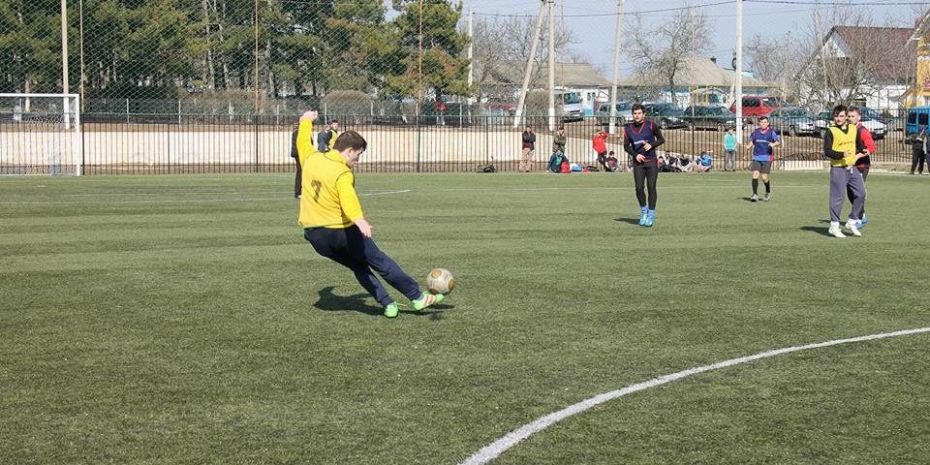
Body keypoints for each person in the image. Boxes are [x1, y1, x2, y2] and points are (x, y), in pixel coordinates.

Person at [296, 110, 445, 318]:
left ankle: (388, 304)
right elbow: (348, 198)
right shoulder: (342, 172)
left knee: (358, 266)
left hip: (315, 236)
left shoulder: (311, 158)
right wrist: (359, 220)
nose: (358, 159)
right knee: (380, 262)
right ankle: (417, 297)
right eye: (358, 154)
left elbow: (303, 141)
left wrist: (305, 121)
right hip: (340, 232)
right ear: (348, 151)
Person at [823, 104, 867, 238]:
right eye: (836, 116)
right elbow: (828, 151)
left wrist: (862, 150)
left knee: (861, 194)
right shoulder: (831, 131)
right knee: (838, 198)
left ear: (846, 117)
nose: (838, 118)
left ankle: (852, 221)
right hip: (838, 168)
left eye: (841, 116)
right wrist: (842, 154)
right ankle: (834, 226)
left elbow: (858, 145)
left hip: (852, 168)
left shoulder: (854, 129)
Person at [623, 103, 666, 227]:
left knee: (651, 187)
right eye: (635, 113)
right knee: (638, 188)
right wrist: (635, 155)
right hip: (638, 163)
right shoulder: (628, 129)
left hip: (651, 161)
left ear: (644, 114)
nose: (637, 116)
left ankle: (651, 215)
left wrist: (651, 145)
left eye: (639, 113)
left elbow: (661, 139)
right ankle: (644, 211)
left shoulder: (651, 125)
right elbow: (626, 146)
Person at [847, 107, 875, 228]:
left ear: (859, 117)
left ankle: (858, 218)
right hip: (849, 166)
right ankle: (861, 215)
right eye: (849, 116)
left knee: (857, 191)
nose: (850, 118)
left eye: (853, 116)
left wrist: (858, 155)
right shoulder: (848, 130)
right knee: (849, 192)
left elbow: (871, 148)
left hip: (861, 166)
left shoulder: (863, 131)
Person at [748, 116, 780, 201]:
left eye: (765, 122)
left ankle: (767, 191)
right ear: (759, 123)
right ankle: (754, 194)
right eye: (761, 122)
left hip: (767, 158)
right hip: (756, 157)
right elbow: (752, 140)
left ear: (768, 123)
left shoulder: (771, 132)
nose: (763, 124)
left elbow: (777, 142)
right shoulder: (756, 132)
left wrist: (773, 144)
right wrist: (749, 145)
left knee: (764, 177)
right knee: (755, 174)